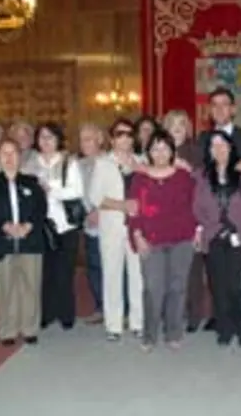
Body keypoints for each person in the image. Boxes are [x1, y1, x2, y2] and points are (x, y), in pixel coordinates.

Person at [195, 87, 241, 332]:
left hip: (239, 217)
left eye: (225, 104)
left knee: (238, 278)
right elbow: (199, 179)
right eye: (215, 105)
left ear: (233, 109)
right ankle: (220, 319)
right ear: (209, 111)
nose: (220, 109)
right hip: (212, 219)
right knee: (216, 277)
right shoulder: (202, 139)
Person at [127, 130, 196, 351]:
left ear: (172, 151)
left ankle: (173, 333)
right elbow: (133, 210)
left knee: (178, 287)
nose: (160, 153)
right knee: (152, 288)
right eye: (155, 148)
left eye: (164, 148)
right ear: (148, 152)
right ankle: (149, 334)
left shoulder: (184, 176)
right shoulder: (140, 177)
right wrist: (137, 235)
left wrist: (198, 231)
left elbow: (194, 206)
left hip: (182, 239)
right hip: (151, 240)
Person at [0, 138, 48, 346]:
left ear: (20, 157)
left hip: (30, 241)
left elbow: (41, 209)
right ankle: (7, 330)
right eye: (4, 154)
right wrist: (4, 226)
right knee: (6, 287)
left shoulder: (32, 183)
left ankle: (30, 328)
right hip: (3, 242)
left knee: (30, 286)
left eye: (13, 153)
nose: (9, 158)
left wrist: (28, 226)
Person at [88, 119, 144, 341]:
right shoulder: (103, 163)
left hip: (138, 228)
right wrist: (122, 205)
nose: (126, 138)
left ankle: (138, 321)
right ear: (112, 139)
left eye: (130, 134)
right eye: (120, 133)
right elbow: (95, 197)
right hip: (112, 227)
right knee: (111, 275)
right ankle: (113, 325)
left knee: (138, 275)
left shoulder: (142, 161)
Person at [24, 122, 84, 331]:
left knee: (64, 271)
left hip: (65, 225)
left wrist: (51, 190)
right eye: (42, 137)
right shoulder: (31, 163)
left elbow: (76, 191)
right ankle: (46, 313)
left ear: (58, 139)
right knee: (44, 272)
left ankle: (66, 314)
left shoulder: (69, 162)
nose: (46, 142)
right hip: (40, 225)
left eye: (50, 137)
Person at [163, 110, 205, 332]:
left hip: (190, 216)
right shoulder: (158, 151)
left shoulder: (196, 152)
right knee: (168, 269)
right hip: (164, 219)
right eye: (172, 124)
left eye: (181, 124)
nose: (177, 128)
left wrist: (186, 168)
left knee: (192, 269)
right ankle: (172, 314)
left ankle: (194, 315)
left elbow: (202, 186)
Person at [78, 123, 106, 324]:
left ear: (100, 140)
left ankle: (118, 308)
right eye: (82, 140)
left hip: (109, 223)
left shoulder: (109, 162)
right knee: (94, 267)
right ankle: (100, 306)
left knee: (112, 268)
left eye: (89, 139)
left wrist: (101, 212)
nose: (85, 143)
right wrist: (86, 213)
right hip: (88, 223)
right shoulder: (77, 165)